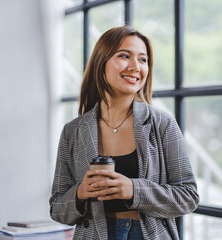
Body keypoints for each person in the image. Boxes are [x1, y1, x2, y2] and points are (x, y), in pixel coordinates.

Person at [49, 26, 199, 240]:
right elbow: (56, 208)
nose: (135, 67)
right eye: (124, 56)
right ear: (101, 62)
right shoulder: (73, 131)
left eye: (143, 60)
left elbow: (188, 197)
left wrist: (134, 189)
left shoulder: (163, 124)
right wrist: (80, 193)